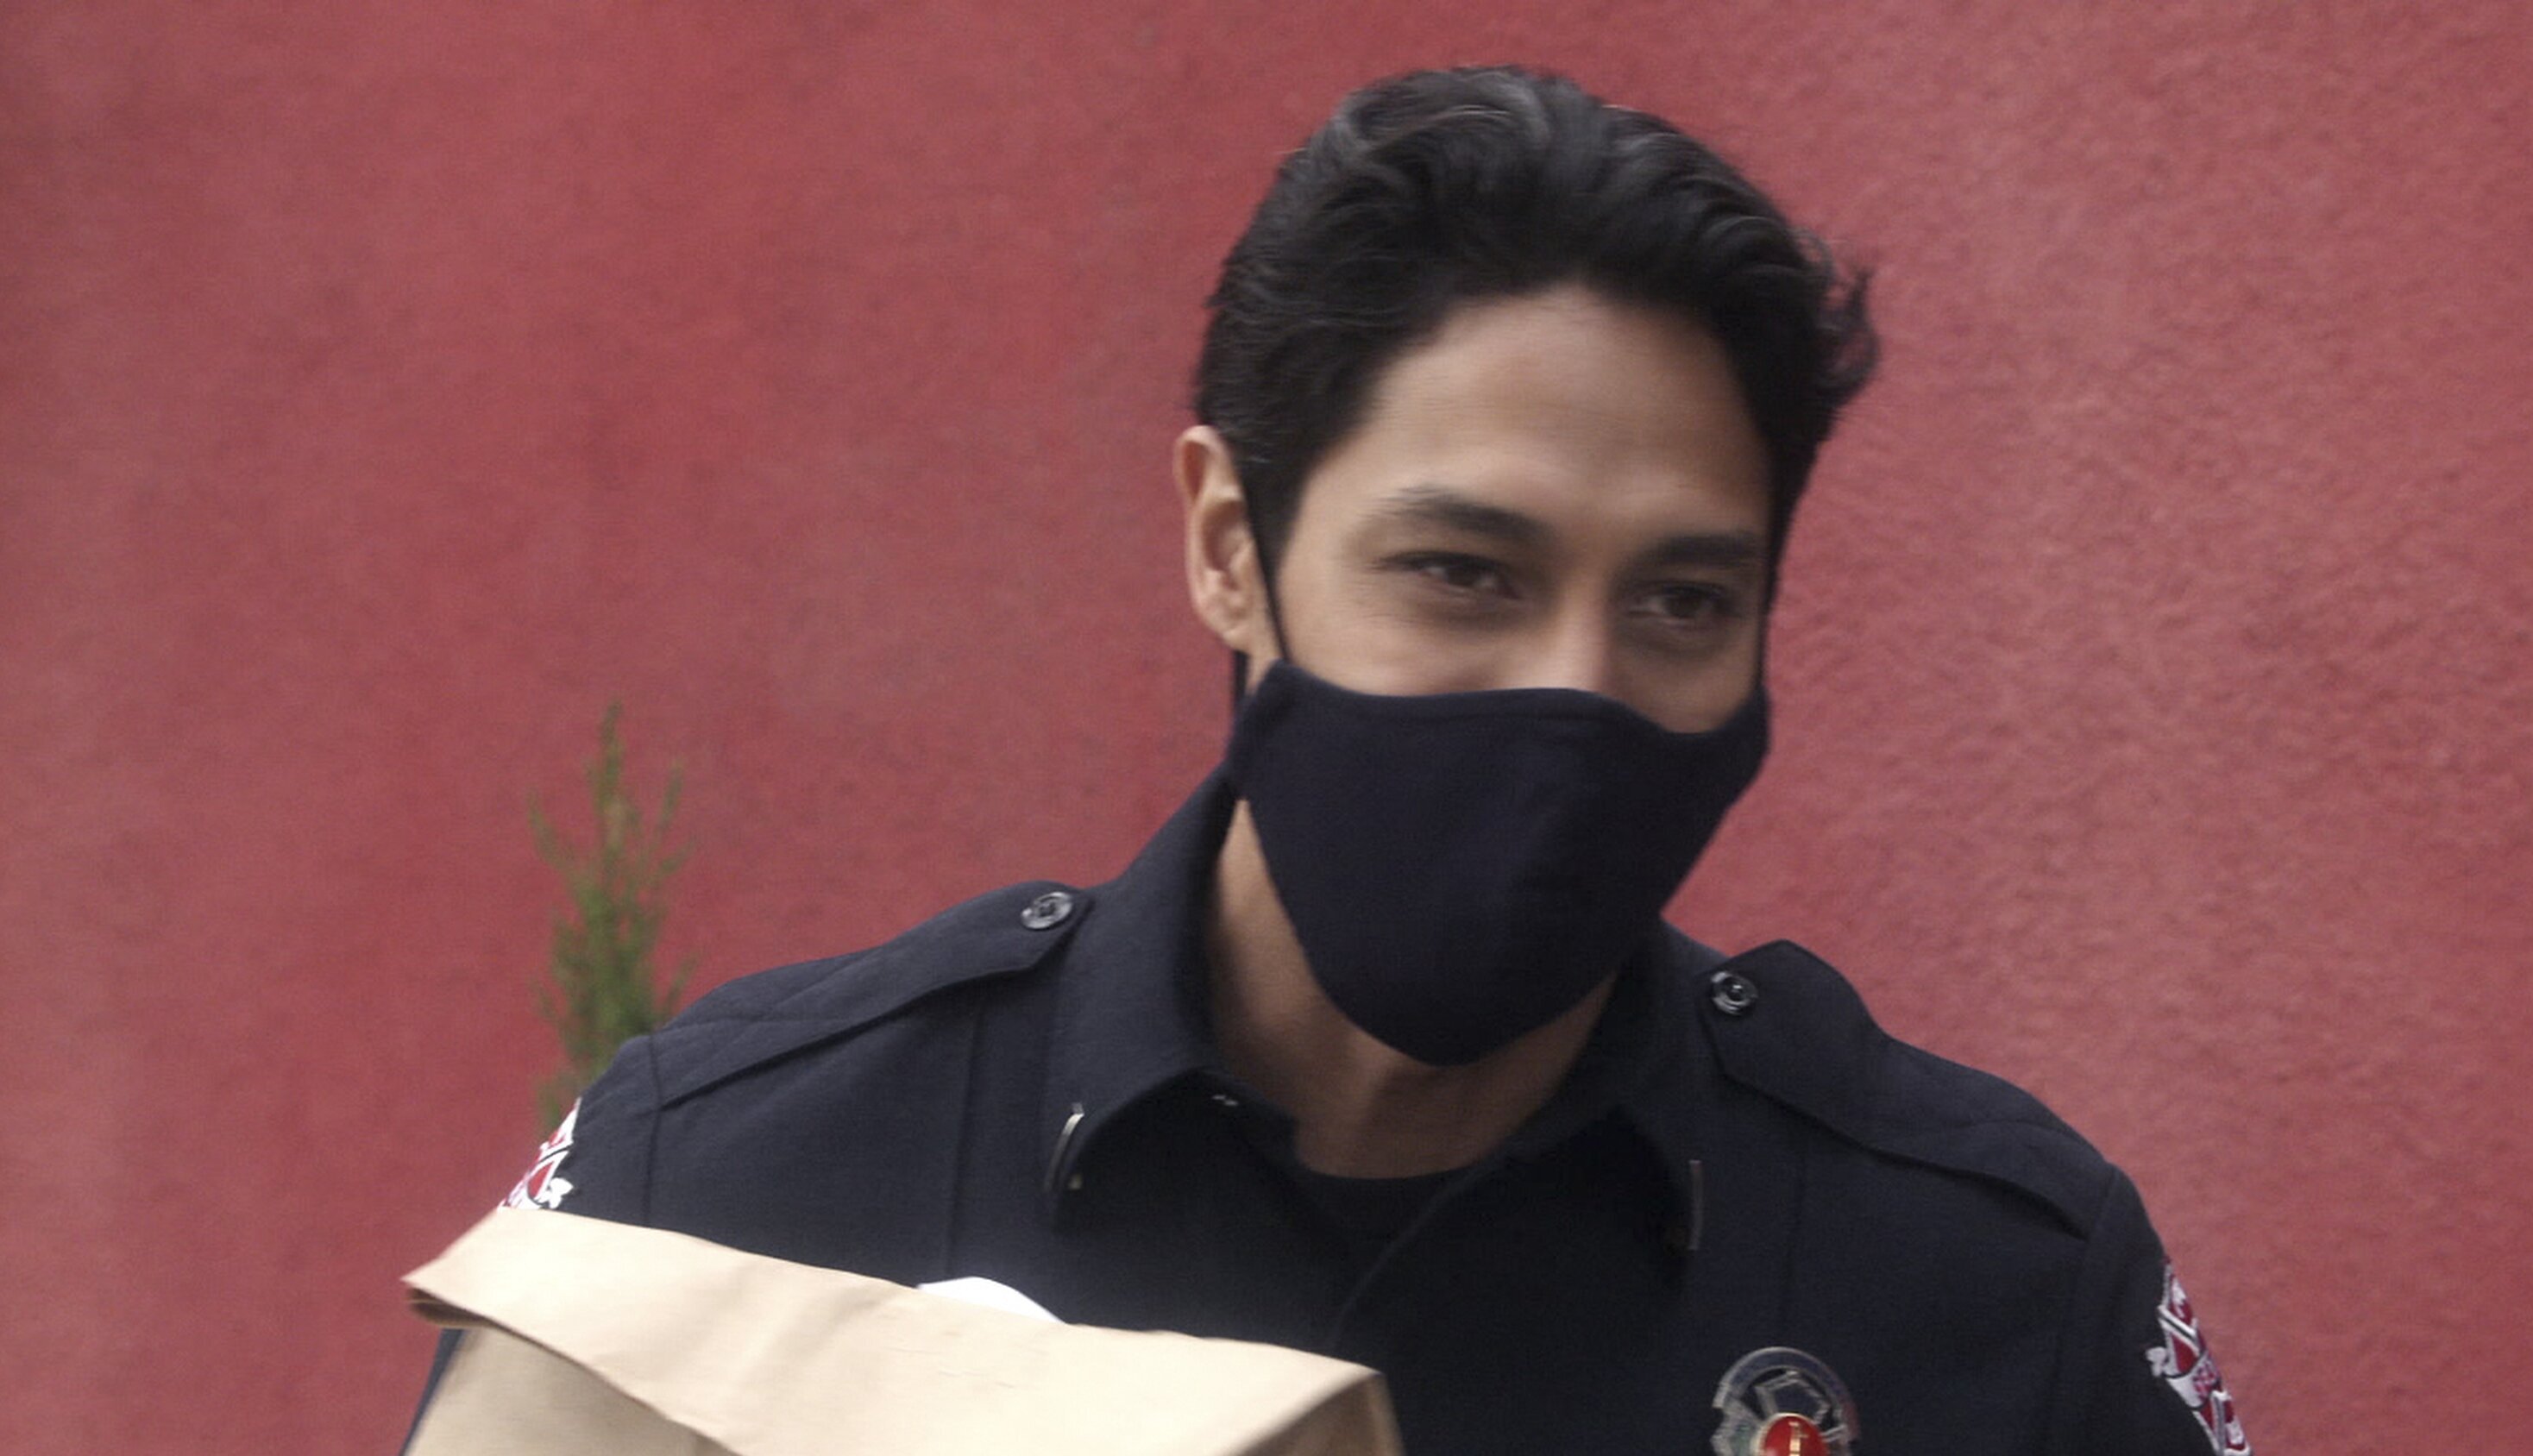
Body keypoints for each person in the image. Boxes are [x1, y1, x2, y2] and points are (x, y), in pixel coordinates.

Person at [426, 66, 2249, 1456]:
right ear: (1233, 546)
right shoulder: (732, 1181)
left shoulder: (1996, 1287)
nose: (1575, 693)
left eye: (1683, 602)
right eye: (1463, 573)